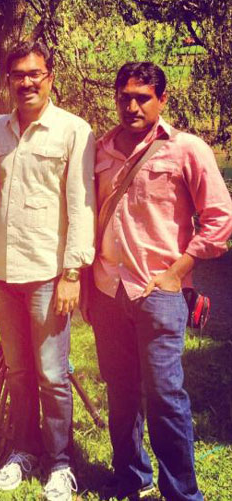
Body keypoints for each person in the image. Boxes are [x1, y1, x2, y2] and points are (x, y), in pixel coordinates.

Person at [85, 62, 232, 501]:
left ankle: (182, 493)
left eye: (142, 98)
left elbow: (220, 219)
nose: (132, 106)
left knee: (166, 396)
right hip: (108, 288)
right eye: (124, 97)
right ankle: (132, 479)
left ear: (162, 99)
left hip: (159, 292)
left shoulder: (186, 149)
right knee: (121, 393)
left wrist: (176, 272)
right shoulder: (100, 149)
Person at [0, 41, 96, 501]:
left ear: (51, 77)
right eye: (18, 75)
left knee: (52, 374)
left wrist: (72, 273)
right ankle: (24, 451)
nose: (27, 82)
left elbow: (82, 204)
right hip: (1, 273)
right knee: (18, 372)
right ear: (8, 80)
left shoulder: (74, 130)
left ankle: (60, 462)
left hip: (49, 274)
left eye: (36, 73)